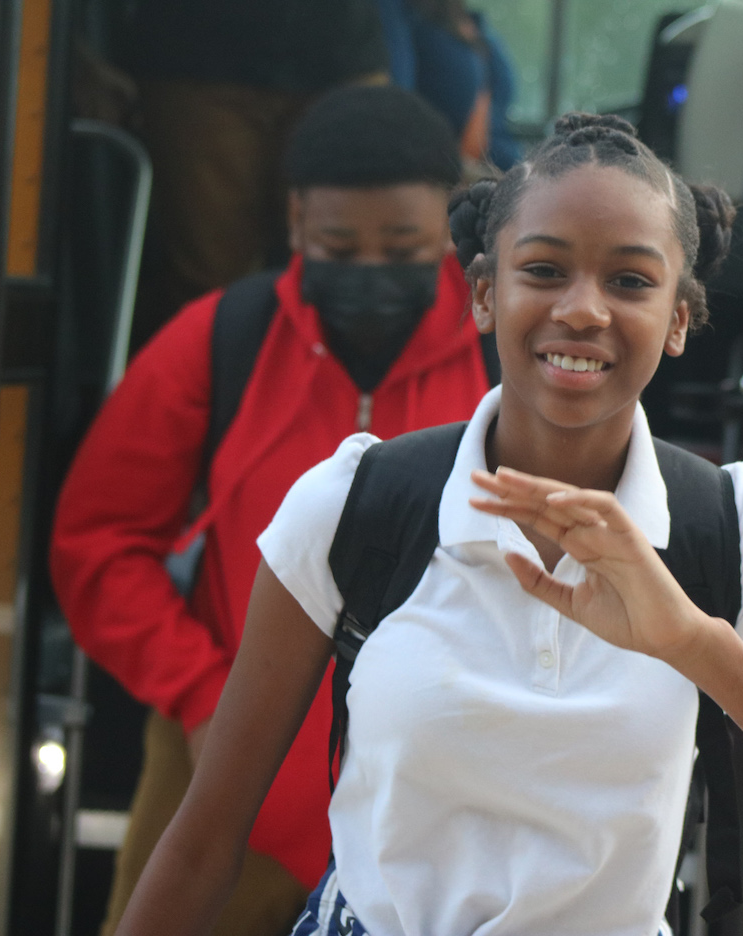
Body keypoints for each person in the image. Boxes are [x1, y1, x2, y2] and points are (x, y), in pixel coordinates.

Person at [113, 113, 743, 936]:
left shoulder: (740, 528)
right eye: (545, 271)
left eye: (630, 281)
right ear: (485, 295)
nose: (583, 310)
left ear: (678, 323)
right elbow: (201, 844)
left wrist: (698, 646)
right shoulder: (355, 504)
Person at [50, 86, 488, 936]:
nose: (369, 269)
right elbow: (96, 543)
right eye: (337, 244)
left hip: (437, 806)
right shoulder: (219, 339)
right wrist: (197, 690)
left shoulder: (505, 355)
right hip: (216, 784)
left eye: (402, 246)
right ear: (293, 222)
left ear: (450, 225)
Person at [116, 0, 392, 351]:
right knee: (210, 284)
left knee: (352, 269)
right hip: (195, 55)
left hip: (341, 50)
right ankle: (220, 395)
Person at [374, 0, 522, 171]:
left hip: (501, 168)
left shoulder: (471, 25)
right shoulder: (394, 11)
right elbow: (395, 103)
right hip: (449, 175)